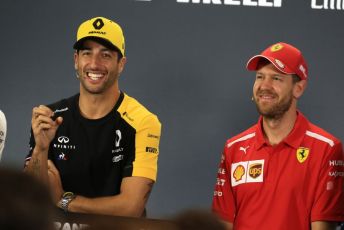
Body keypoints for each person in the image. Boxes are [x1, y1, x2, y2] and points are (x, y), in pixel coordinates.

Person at [24, 16, 161, 218]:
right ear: (76, 60)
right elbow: (29, 197)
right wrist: (40, 149)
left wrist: (64, 199)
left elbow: (131, 207)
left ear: (121, 64)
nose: (94, 64)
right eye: (87, 53)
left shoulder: (143, 122)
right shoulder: (50, 117)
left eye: (105, 55)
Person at [212, 42, 344, 229]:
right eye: (260, 77)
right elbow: (223, 223)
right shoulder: (233, 147)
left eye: (276, 78)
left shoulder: (326, 149)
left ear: (299, 88)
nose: (264, 86)